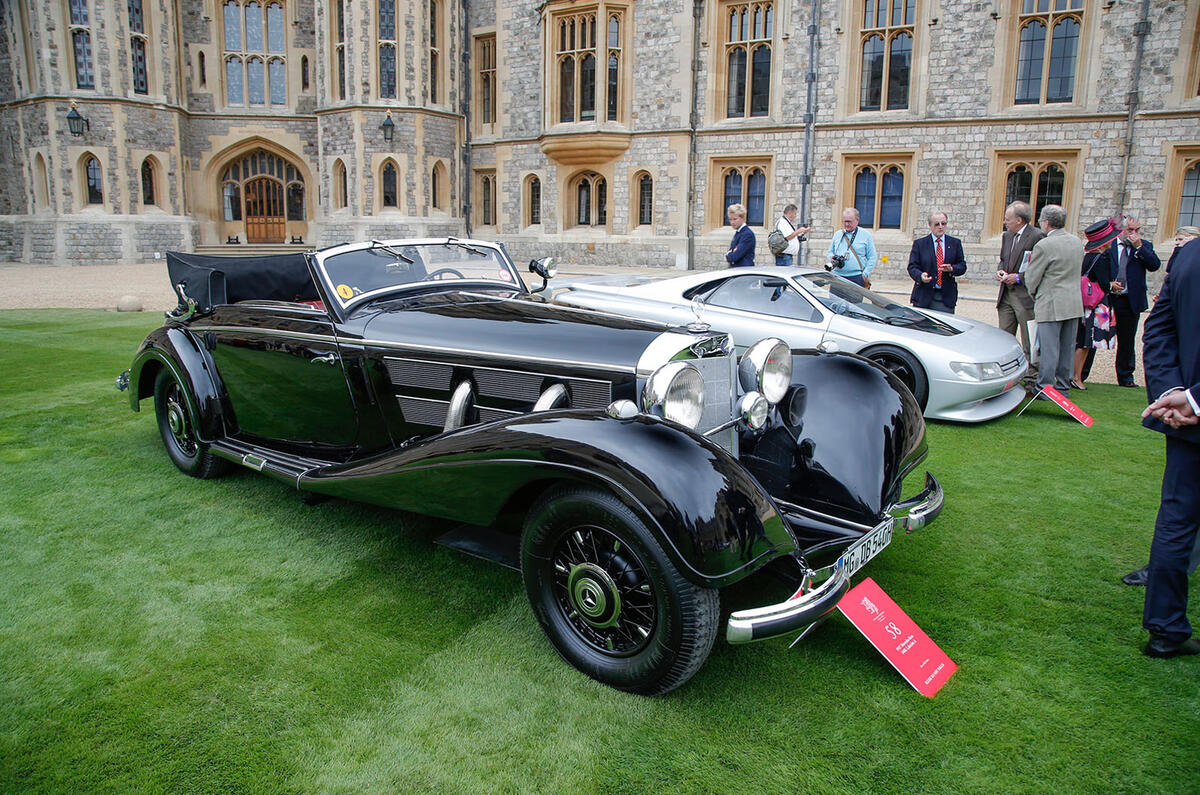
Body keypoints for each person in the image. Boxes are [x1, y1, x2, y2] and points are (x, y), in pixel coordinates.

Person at [1138, 236, 1200, 658]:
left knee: (1177, 519)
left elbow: (1159, 330)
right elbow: (1160, 326)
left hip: (1185, 416)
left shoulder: (1190, 254)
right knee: (1177, 521)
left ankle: (1165, 627)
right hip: (1186, 414)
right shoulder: (1189, 254)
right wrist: (1182, 398)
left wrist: (1176, 395)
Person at [1023, 204, 1083, 397]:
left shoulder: (1044, 245)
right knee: (1067, 348)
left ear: (1046, 223)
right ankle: (1063, 387)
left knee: (1049, 349)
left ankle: (1044, 388)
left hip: (1051, 302)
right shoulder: (1076, 242)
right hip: (1073, 302)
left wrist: (1035, 295)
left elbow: (1032, 277)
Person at [1106, 215, 1161, 388]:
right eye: (1130, 230)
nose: (1134, 233)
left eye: (1137, 230)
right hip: (1108, 298)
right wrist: (1109, 285)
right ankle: (1081, 375)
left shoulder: (1144, 246)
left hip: (1129, 301)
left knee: (1127, 341)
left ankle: (1126, 377)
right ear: (1121, 230)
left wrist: (1139, 247)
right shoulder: (1108, 245)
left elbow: (1154, 265)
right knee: (1096, 337)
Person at [996, 201, 1045, 371]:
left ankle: (1031, 375)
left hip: (1024, 296)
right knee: (1004, 337)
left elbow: (1039, 267)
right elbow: (1003, 259)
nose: (1005, 222)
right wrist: (1001, 271)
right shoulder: (1007, 236)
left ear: (1019, 220)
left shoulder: (1037, 236)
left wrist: (1018, 278)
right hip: (1006, 295)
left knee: (1029, 338)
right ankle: (1005, 372)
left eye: (1007, 219)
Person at [1071, 220, 1119, 390]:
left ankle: (1074, 376)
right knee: (1085, 342)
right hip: (1095, 305)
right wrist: (1112, 285)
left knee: (1083, 341)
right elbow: (1104, 283)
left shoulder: (1089, 256)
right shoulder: (1102, 258)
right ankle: (1076, 377)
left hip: (1086, 304)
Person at [907, 211, 966, 313]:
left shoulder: (955, 243)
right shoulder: (920, 244)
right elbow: (912, 267)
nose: (940, 227)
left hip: (946, 297)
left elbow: (962, 266)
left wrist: (952, 269)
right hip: (924, 295)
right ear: (930, 225)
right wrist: (921, 276)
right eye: (937, 224)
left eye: (943, 223)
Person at [825, 208, 876, 287]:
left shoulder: (866, 235)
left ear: (857, 220)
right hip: (837, 276)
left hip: (857, 278)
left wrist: (865, 275)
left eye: (849, 221)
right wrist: (832, 257)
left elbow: (872, 257)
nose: (847, 224)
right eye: (845, 221)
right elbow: (830, 252)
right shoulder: (837, 234)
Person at [725, 204, 755, 268]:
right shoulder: (739, 232)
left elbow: (735, 256)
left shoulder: (747, 234)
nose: (732, 222)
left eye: (735, 219)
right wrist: (731, 253)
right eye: (730, 219)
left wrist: (729, 254)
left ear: (743, 218)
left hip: (744, 270)